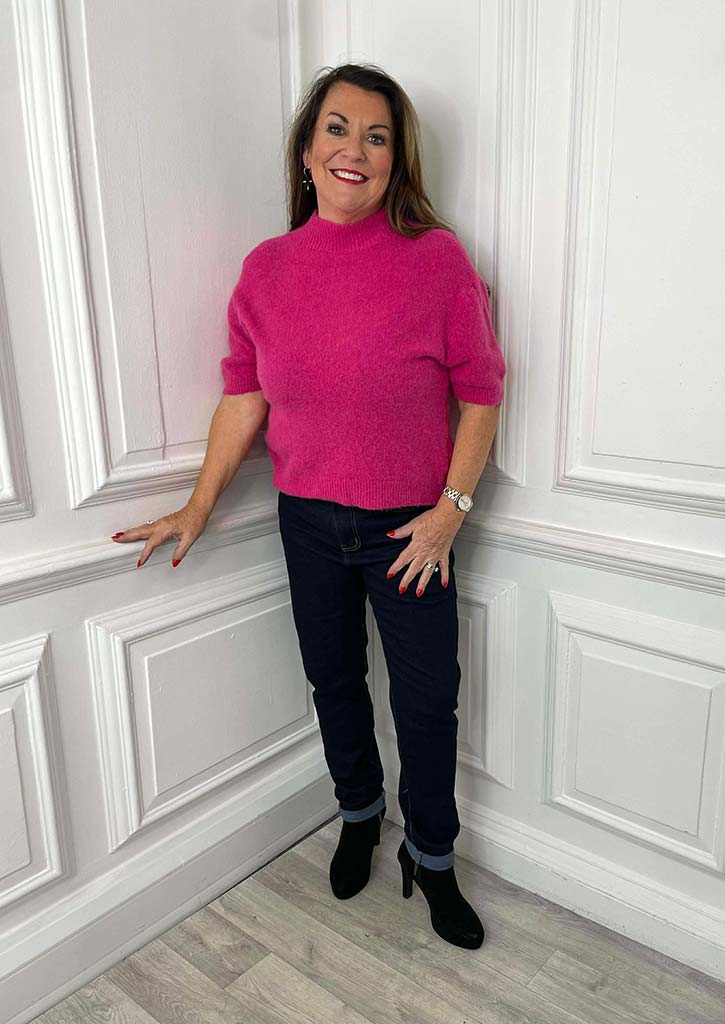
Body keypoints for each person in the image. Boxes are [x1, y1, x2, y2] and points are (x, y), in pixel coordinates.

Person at [111, 62, 505, 951]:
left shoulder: (436, 260)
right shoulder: (267, 270)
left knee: (427, 701)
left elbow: (482, 392)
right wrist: (198, 506)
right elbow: (244, 395)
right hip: (307, 523)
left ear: (396, 159)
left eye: (376, 135)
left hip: (410, 528)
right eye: (337, 128)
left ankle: (433, 858)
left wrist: (452, 510)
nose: (354, 149)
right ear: (306, 149)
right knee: (334, 681)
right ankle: (359, 815)